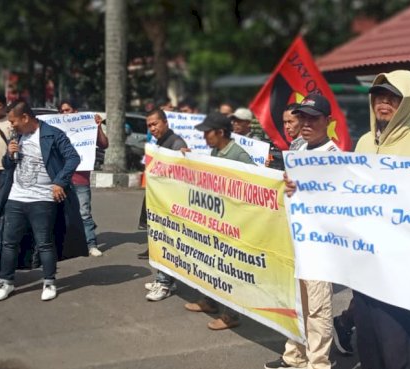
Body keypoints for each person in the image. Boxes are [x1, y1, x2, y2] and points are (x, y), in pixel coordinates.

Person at [355, 71, 410, 369]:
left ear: (408, 103)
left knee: (397, 349)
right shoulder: (364, 142)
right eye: (379, 96)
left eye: (393, 97)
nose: (384, 102)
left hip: (398, 270)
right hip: (364, 266)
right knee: (367, 343)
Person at [265, 94, 338, 369]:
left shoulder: (334, 158)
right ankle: (293, 357)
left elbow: (339, 206)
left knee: (317, 309)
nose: (306, 123)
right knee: (294, 302)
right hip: (293, 242)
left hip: (319, 247)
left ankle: (318, 363)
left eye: (313, 118)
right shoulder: (298, 149)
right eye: (303, 117)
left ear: (328, 121)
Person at [0, 100, 80, 302]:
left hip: (42, 199)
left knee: (45, 243)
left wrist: (59, 182)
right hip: (16, 197)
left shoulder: (52, 134)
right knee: (9, 242)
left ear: (25, 117)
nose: (11, 125)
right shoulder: (16, 136)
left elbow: (73, 158)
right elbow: (7, 165)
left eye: (13, 121)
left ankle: (49, 282)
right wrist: (8, 154)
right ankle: (6, 282)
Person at [183, 112, 253, 330]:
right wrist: (189, 159)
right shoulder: (216, 151)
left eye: (208, 133)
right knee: (212, 264)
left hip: (233, 224)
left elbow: (254, 186)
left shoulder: (239, 156)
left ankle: (231, 315)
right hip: (216, 221)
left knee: (229, 269)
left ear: (221, 132)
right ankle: (210, 301)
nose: (205, 137)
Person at [141, 108, 188, 301]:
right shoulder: (158, 143)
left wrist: (185, 157)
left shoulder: (176, 143)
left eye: (155, 124)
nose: (152, 128)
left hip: (170, 206)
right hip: (158, 203)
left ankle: (164, 283)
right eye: (149, 126)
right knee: (159, 241)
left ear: (165, 122)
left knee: (166, 243)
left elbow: (183, 172)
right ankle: (163, 278)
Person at [59, 99, 108, 257]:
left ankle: (91, 244)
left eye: (68, 110)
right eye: (62, 111)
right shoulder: (56, 128)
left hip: (80, 179)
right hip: (61, 179)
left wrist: (98, 126)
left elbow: (104, 144)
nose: (65, 113)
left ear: (75, 111)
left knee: (84, 213)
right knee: (59, 214)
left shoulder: (86, 126)